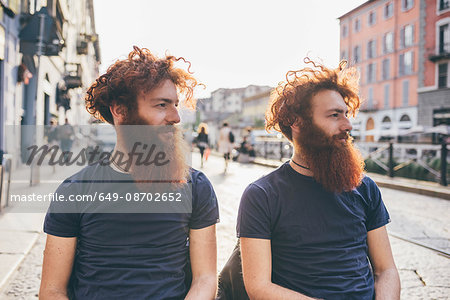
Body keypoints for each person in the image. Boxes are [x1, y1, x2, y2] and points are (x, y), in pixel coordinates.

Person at [39, 46, 219, 299]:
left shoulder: (196, 186)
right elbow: (52, 290)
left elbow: (205, 279)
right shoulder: (75, 190)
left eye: (176, 105)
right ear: (120, 110)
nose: (176, 117)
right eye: (161, 105)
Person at [237, 59, 400, 299]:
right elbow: (259, 287)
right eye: (334, 115)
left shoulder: (365, 187)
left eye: (346, 114)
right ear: (297, 122)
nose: (348, 125)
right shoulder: (262, 195)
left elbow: (386, 270)